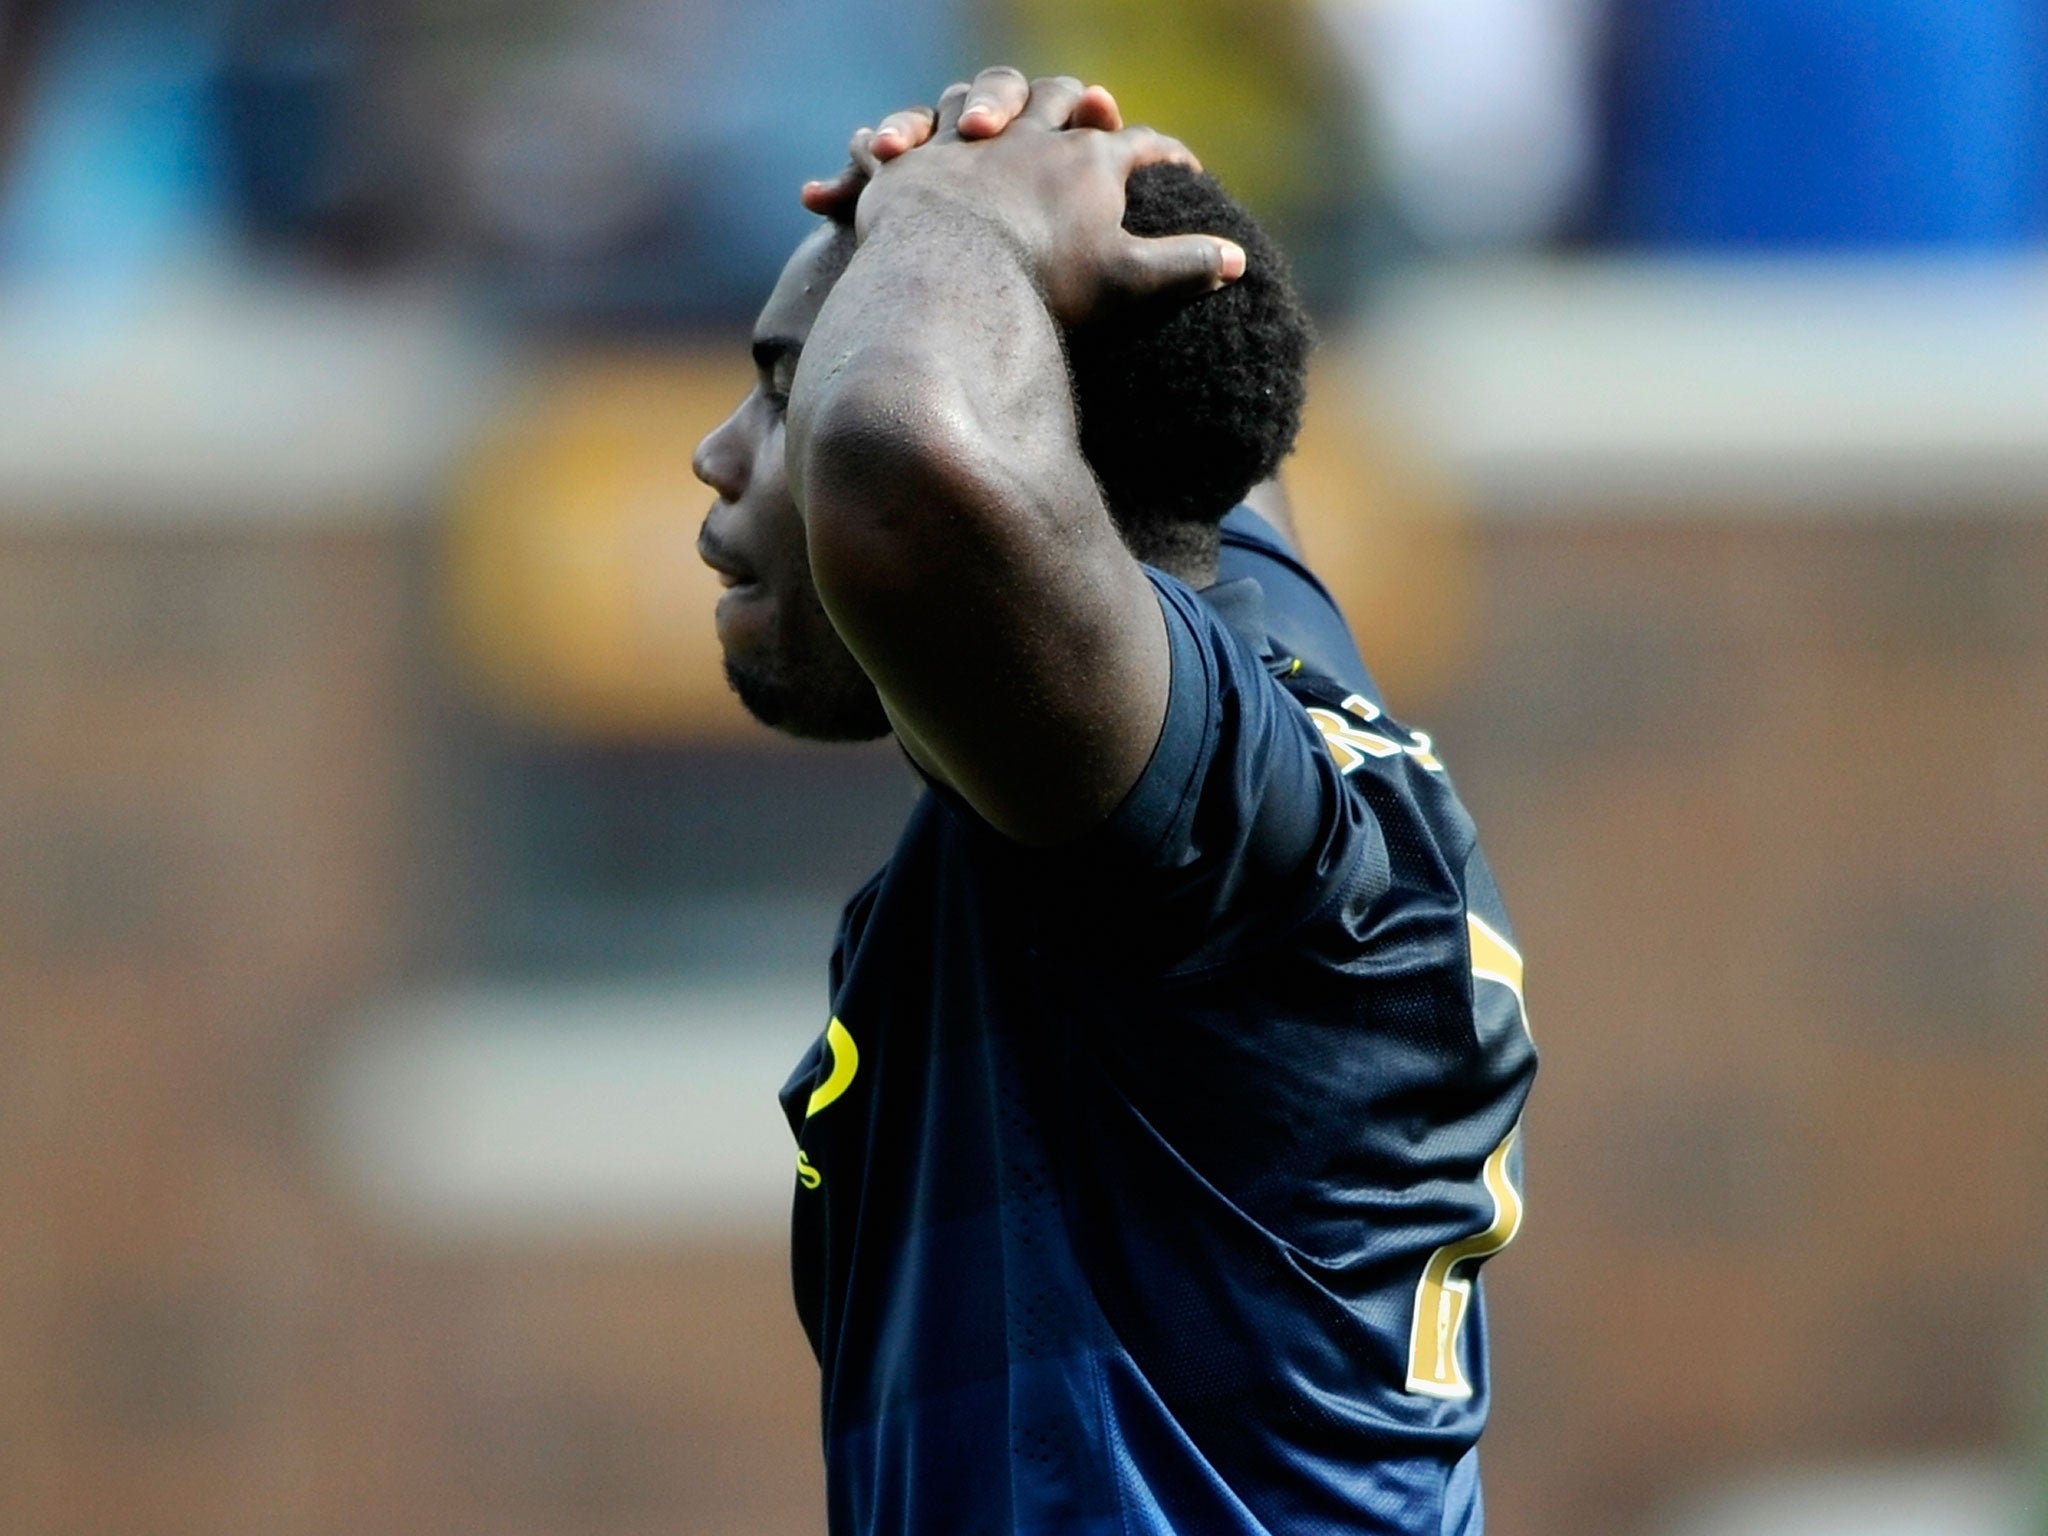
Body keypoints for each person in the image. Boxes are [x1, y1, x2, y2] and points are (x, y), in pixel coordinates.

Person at [692, 68, 1537, 1536]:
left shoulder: (1216, 831)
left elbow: (902, 467)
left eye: (783, 389)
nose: (724, 456)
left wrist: (953, 222)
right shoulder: (1242, 626)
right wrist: (1054, 172)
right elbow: (1174, 427)